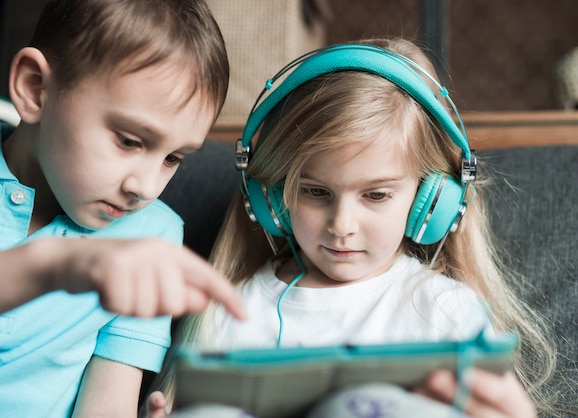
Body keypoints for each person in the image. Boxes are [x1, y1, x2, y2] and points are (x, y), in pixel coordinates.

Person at [146, 38, 557, 417]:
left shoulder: (445, 313)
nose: (341, 225)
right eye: (315, 192)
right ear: (272, 199)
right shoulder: (231, 313)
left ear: (431, 203)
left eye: (376, 196)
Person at [0, 0, 247, 416]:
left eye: (173, 158)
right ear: (36, 88)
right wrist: (47, 265)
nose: (145, 188)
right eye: (128, 140)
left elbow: (107, 403)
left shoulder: (152, 236)